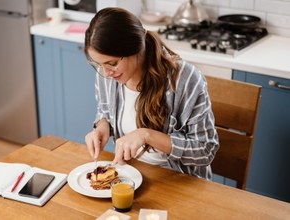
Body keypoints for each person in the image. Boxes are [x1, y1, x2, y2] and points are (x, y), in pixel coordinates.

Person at [84, 7, 219, 180]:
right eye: (98, 64)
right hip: (131, 174)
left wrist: (146, 135)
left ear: (135, 49)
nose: (106, 72)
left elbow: (205, 150)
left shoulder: (185, 80)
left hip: (179, 181)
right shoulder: (108, 74)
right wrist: (102, 126)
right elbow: (105, 110)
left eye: (112, 63)